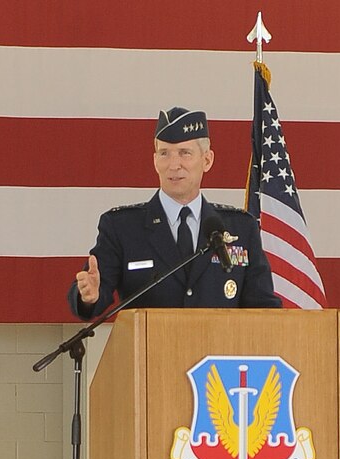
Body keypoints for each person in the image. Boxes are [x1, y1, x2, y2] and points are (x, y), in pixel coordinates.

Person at [68, 107, 281, 319]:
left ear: (207, 160)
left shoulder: (241, 228)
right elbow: (95, 291)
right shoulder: (122, 227)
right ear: (155, 161)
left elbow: (264, 308)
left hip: (221, 342)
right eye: (164, 154)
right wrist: (89, 296)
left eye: (184, 153)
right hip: (149, 342)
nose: (173, 165)